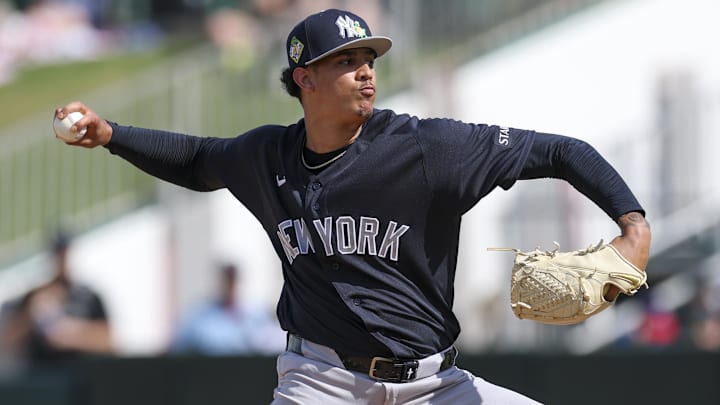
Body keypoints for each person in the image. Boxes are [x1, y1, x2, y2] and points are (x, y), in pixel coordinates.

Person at [53, 8, 651, 404]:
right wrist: (112, 135)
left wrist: (632, 225)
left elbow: (559, 150)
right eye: (346, 61)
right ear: (304, 78)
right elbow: (195, 159)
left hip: (434, 384)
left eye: (368, 59)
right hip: (320, 383)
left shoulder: (426, 148)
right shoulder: (266, 155)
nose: (366, 72)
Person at [0, 231, 113, 368]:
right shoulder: (35, 295)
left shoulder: (88, 297)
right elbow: (7, 341)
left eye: (64, 253)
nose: (60, 259)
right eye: (57, 253)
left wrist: (69, 334)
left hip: (80, 375)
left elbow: (109, 341)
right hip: (43, 377)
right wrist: (31, 314)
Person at [171, 263, 285, 355]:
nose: (229, 285)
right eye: (226, 280)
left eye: (232, 280)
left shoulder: (256, 312)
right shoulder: (201, 315)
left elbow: (271, 342)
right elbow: (182, 344)